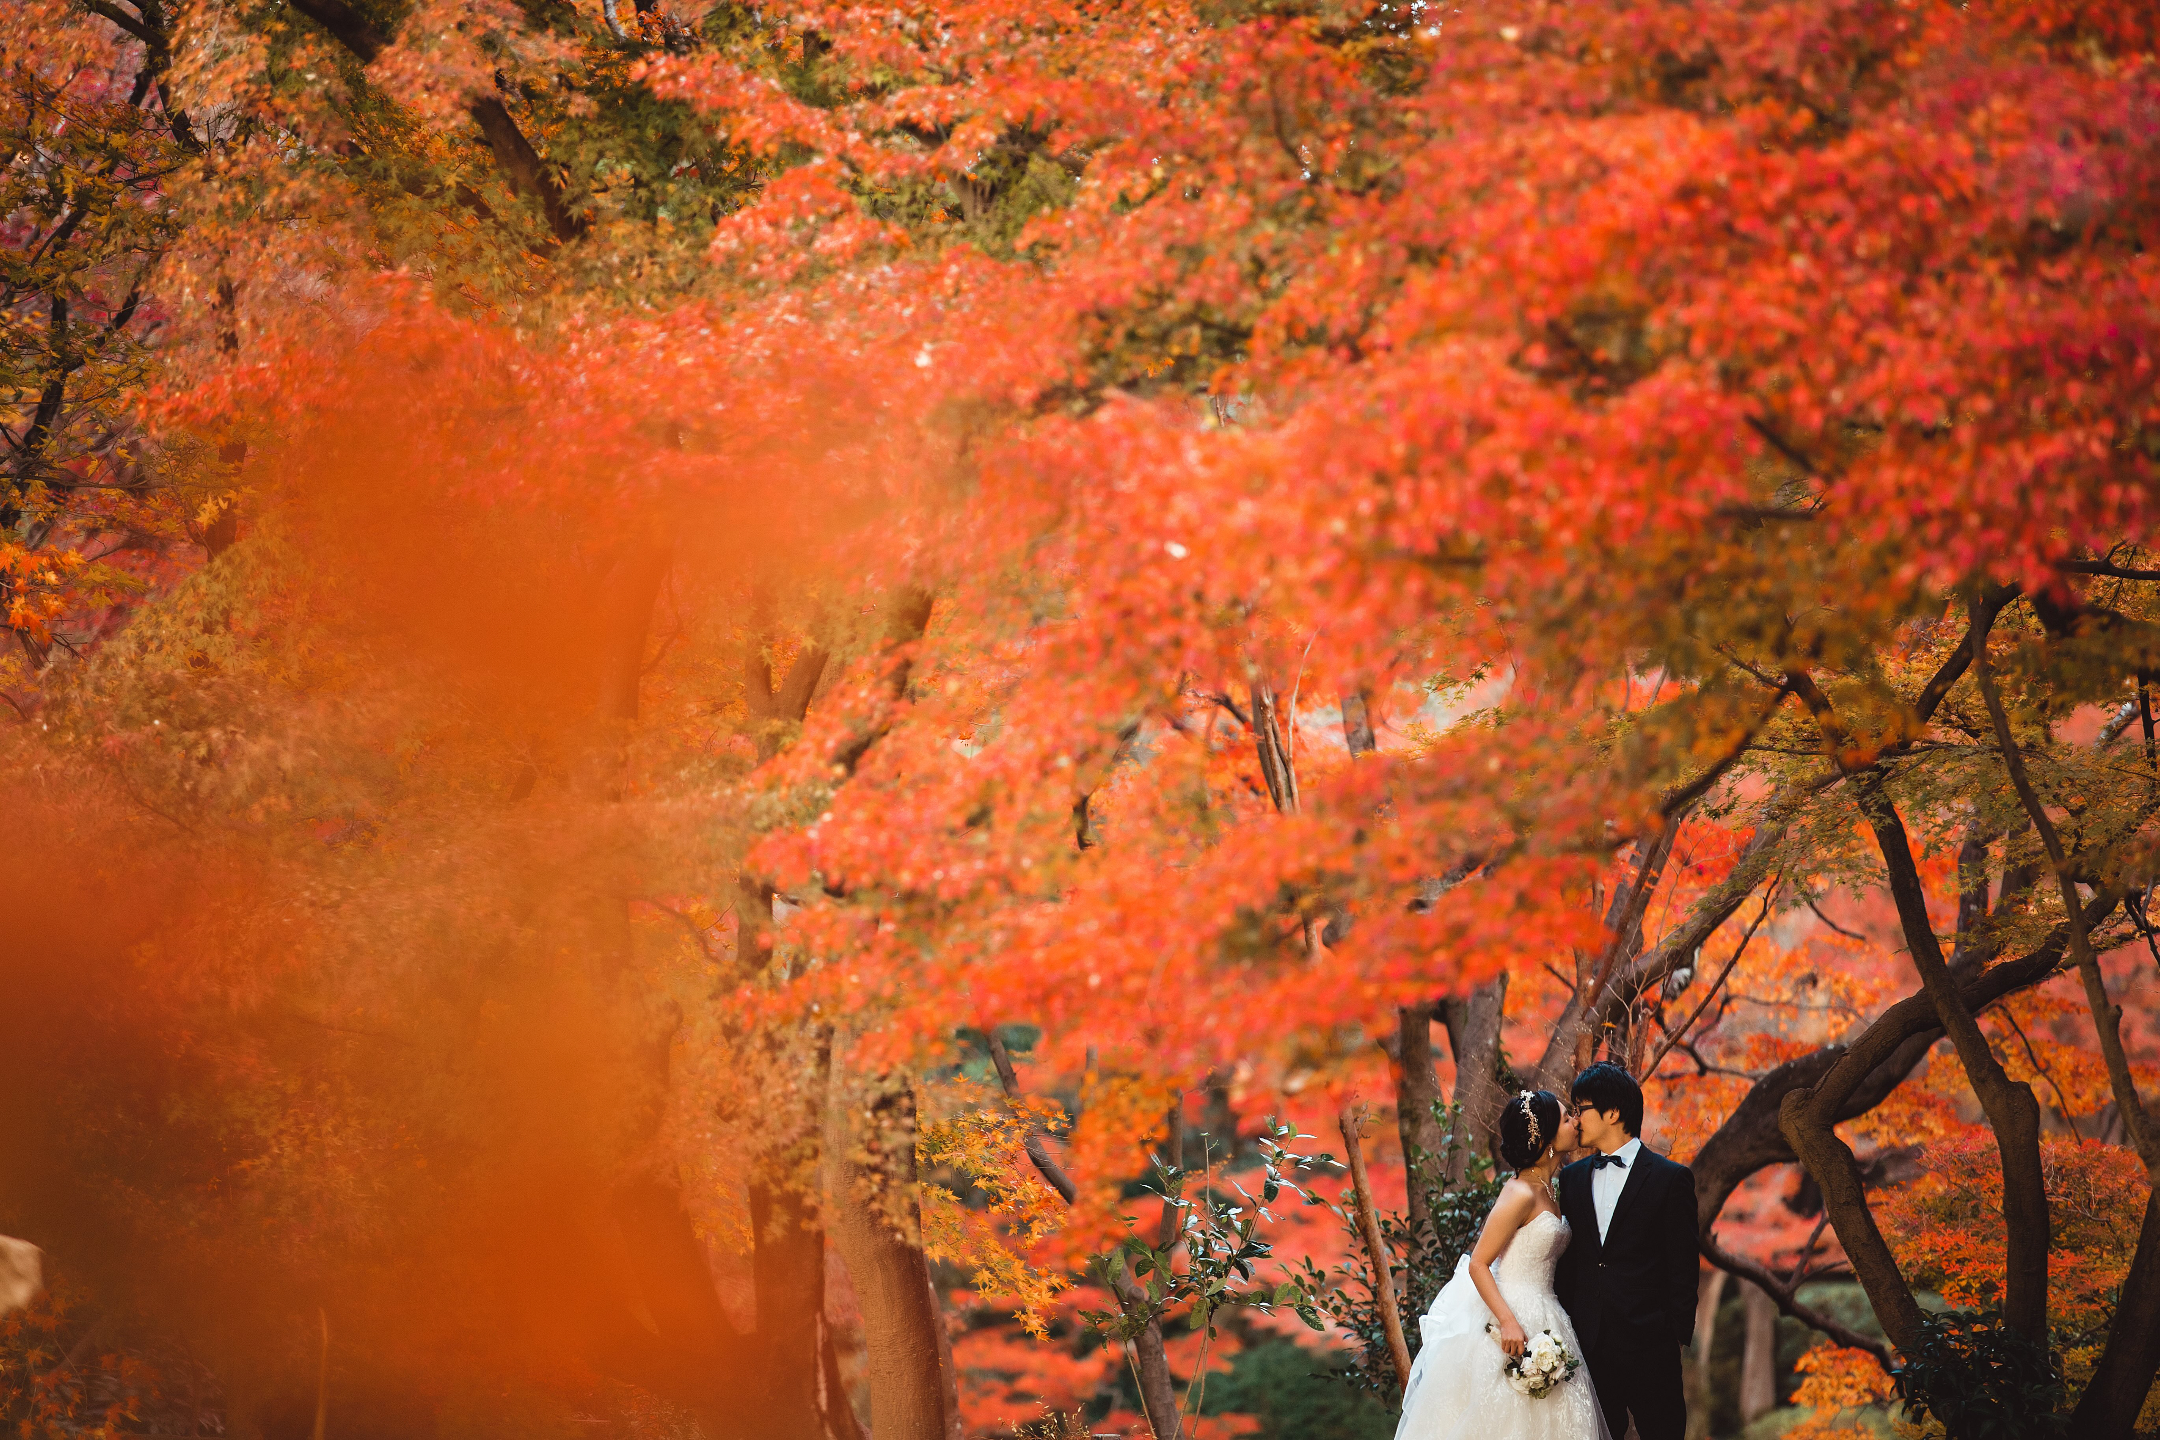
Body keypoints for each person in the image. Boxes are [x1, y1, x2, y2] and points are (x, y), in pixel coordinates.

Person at [1393, 1090, 1612, 1440]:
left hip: (1548, 1313)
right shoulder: (1520, 1193)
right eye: (1566, 1118)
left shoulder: (1549, 1186)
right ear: (1546, 1137)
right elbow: (1478, 1263)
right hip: (1512, 1314)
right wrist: (1509, 1322)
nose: (1575, 1122)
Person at [1554, 1062, 1699, 1440]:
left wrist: (1675, 1333)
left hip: (1650, 1344)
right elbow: (1570, 1264)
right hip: (1588, 1345)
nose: (1575, 1118)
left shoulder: (1670, 1179)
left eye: (1580, 1107)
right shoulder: (1570, 1179)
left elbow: (1683, 1264)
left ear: (1613, 1112)